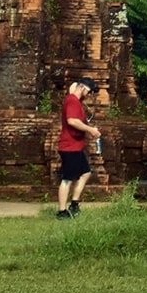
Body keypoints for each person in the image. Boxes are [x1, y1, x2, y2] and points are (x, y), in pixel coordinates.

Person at [54, 78, 102, 218]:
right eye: (89, 91)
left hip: (76, 146)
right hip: (69, 146)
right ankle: (62, 212)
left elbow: (74, 86)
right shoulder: (72, 101)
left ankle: (74, 204)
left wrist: (89, 130)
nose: (89, 95)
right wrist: (90, 130)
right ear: (82, 88)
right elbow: (72, 121)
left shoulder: (76, 101)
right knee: (67, 179)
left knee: (85, 173)